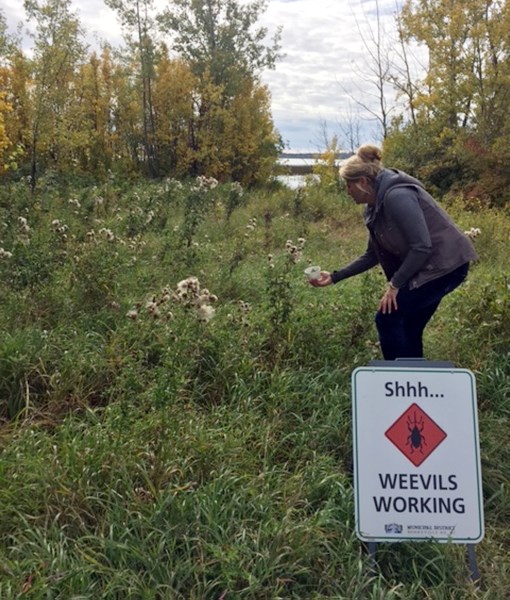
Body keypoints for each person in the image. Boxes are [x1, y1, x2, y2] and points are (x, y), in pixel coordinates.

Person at [310, 144, 478, 360]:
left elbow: (422, 246)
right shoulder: (374, 206)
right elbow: (372, 254)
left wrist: (395, 285)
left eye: (348, 185)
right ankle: (413, 382)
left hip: (446, 266)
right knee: (408, 324)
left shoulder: (397, 196)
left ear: (362, 182)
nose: (347, 191)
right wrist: (334, 276)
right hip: (426, 266)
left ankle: (395, 378)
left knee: (387, 317)